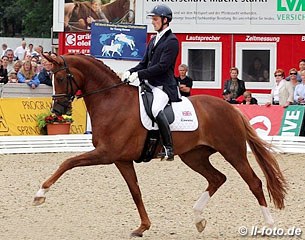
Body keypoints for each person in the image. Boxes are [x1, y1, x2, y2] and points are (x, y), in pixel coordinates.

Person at [121, 4, 179, 161]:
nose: (153, 22)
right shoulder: (154, 40)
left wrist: (139, 74)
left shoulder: (172, 41)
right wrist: (130, 71)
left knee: (155, 109)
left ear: (165, 20)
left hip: (163, 86)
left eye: (155, 19)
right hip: (149, 85)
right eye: (152, 19)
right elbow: (144, 63)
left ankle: (169, 148)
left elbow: (162, 67)